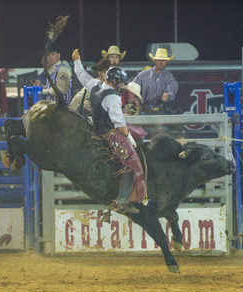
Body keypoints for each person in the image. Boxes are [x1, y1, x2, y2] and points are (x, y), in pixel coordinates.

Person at [72, 48, 146, 214]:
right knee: (131, 162)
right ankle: (121, 200)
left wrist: (77, 61)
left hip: (98, 130)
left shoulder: (96, 86)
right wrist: (129, 138)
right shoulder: (113, 97)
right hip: (112, 135)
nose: (121, 85)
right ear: (114, 81)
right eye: (119, 82)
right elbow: (119, 123)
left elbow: (82, 76)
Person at [132, 48, 178, 115]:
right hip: (144, 111)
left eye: (163, 60)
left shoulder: (169, 77)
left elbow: (172, 90)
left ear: (166, 62)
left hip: (160, 112)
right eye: (159, 60)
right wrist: (135, 99)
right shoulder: (143, 75)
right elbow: (133, 87)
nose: (161, 62)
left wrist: (168, 96)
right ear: (155, 61)